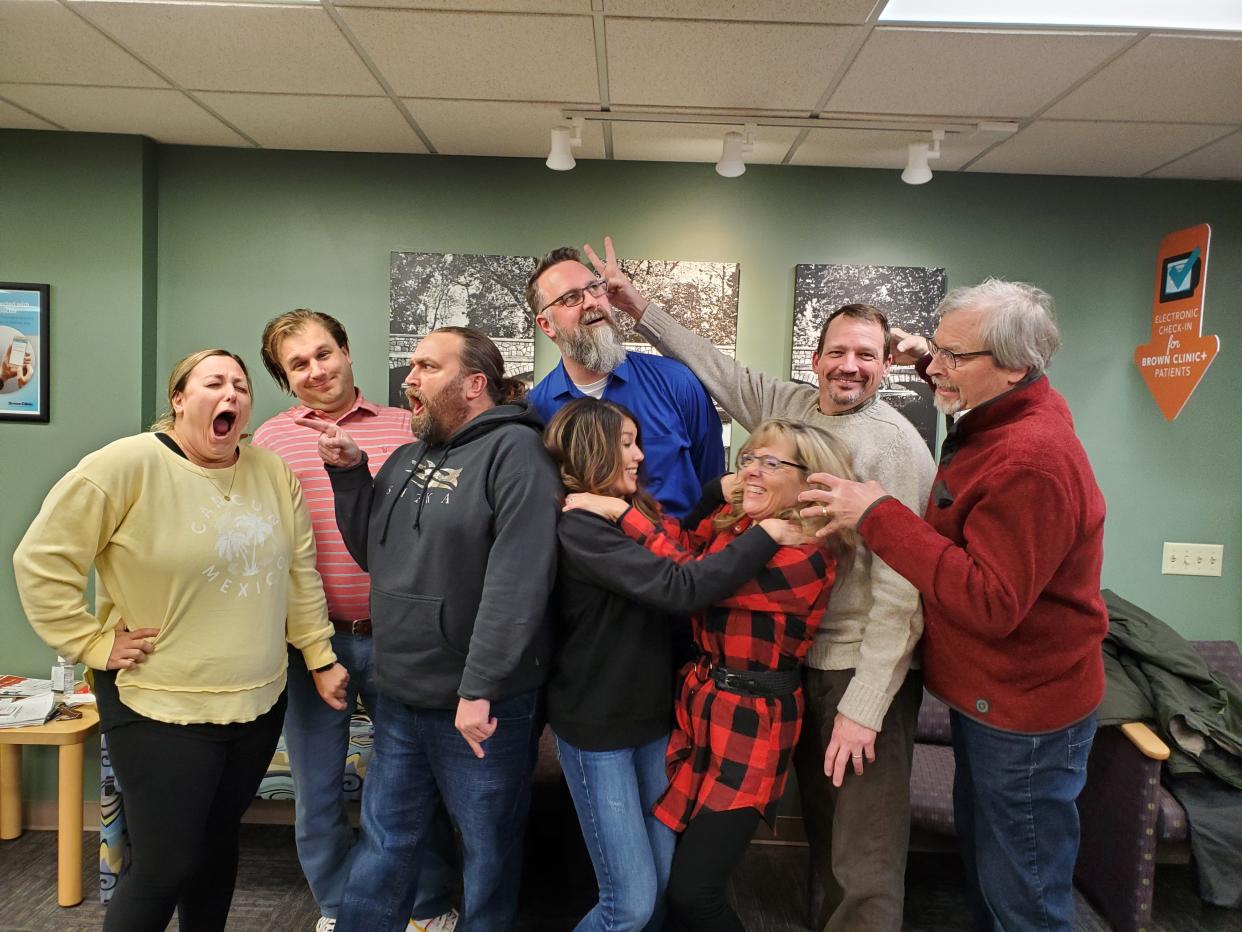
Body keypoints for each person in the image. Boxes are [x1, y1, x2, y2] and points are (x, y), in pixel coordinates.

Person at [587, 236, 935, 930]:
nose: (849, 366)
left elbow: (903, 591)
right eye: (838, 351)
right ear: (815, 358)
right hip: (797, 665)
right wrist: (640, 308)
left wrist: (866, 703)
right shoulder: (797, 409)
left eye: (867, 354)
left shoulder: (895, 447)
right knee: (823, 841)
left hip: (858, 669)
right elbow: (719, 372)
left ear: (887, 363)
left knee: (861, 861)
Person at [800, 279, 1108, 931]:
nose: (933, 366)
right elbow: (969, 385)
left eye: (952, 357)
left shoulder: (1031, 461)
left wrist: (878, 513)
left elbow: (992, 601)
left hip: (1024, 715)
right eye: (931, 350)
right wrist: (928, 357)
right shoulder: (1008, 410)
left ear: (1015, 366)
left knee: (1021, 894)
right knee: (990, 872)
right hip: (990, 700)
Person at [13, 349, 349, 932]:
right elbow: (41, 559)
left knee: (217, 847)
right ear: (178, 399)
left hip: (256, 700)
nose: (232, 395)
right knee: (167, 862)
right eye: (214, 382)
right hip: (158, 700)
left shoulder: (273, 473)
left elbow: (300, 575)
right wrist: (90, 643)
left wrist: (319, 656)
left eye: (241, 386)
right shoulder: (124, 465)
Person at [300, 326, 561, 932]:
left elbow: (519, 583)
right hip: (401, 693)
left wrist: (482, 687)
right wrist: (349, 473)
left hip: (480, 707)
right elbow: (373, 551)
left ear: (474, 384)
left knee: (487, 852)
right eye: (410, 367)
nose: (408, 380)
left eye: (425, 368)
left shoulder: (520, 455)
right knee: (386, 841)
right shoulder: (406, 456)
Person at [566, 418, 855, 932]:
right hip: (696, 712)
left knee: (694, 892)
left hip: (752, 729)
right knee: (673, 875)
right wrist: (710, 497)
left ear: (811, 478)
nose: (753, 472)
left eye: (771, 462)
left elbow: (688, 581)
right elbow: (680, 537)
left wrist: (618, 510)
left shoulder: (807, 552)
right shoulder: (741, 522)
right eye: (749, 459)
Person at [253, 309, 458, 932]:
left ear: (346, 350)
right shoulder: (268, 442)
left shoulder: (411, 428)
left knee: (410, 789)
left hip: (404, 643)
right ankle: (342, 909)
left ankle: (425, 906)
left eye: (324, 353)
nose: (317, 370)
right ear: (286, 381)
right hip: (312, 645)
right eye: (299, 364)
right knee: (317, 794)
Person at [527, 245, 724, 519]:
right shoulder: (535, 411)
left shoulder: (677, 383)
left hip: (678, 556)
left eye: (595, 288)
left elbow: (713, 487)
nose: (591, 302)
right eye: (571, 297)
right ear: (546, 325)